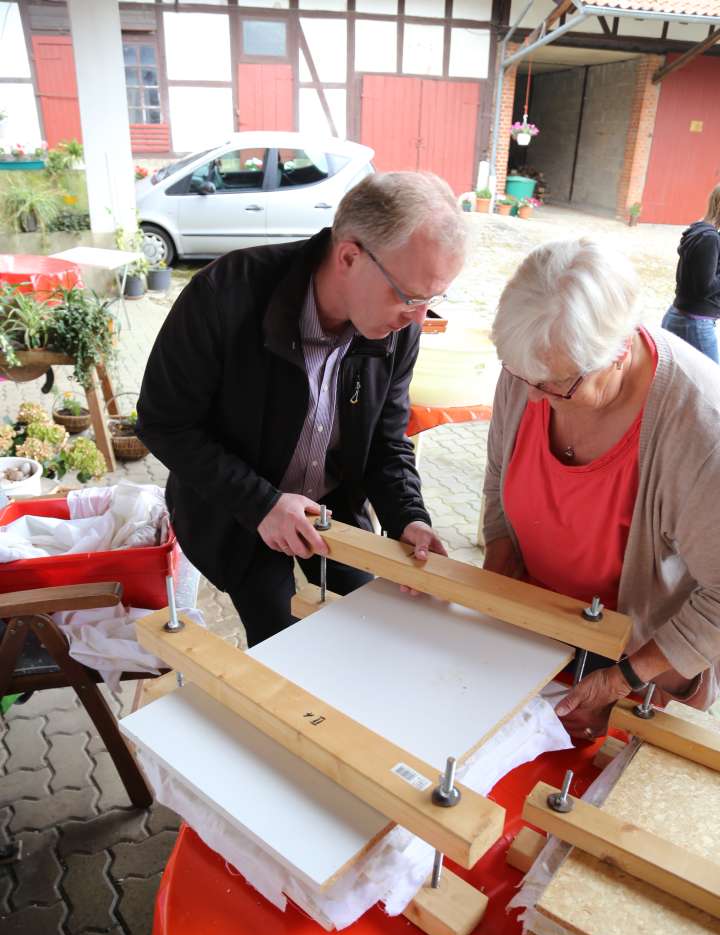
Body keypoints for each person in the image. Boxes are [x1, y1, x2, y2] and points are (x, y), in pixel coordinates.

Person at [137, 171, 465, 646]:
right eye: (409, 295)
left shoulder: (398, 329)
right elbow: (163, 422)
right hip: (238, 509)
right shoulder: (224, 294)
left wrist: (409, 518)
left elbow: (386, 443)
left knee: (375, 622)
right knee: (280, 637)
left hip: (333, 505)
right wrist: (263, 504)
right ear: (350, 256)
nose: (418, 317)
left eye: (432, 299)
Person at [484, 238, 720, 742]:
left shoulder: (700, 428)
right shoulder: (536, 367)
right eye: (519, 376)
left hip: (646, 659)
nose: (531, 397)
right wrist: (492, 599)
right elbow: (496, 482)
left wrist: (621, 680)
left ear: (618, 352)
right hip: (537, 632)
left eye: (554, 386)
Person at [661, 184, 720, 363]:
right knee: (714, 385)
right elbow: (704, 287)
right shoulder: (709, 238)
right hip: (693, 324)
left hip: (682, 317)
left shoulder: (700, 231)